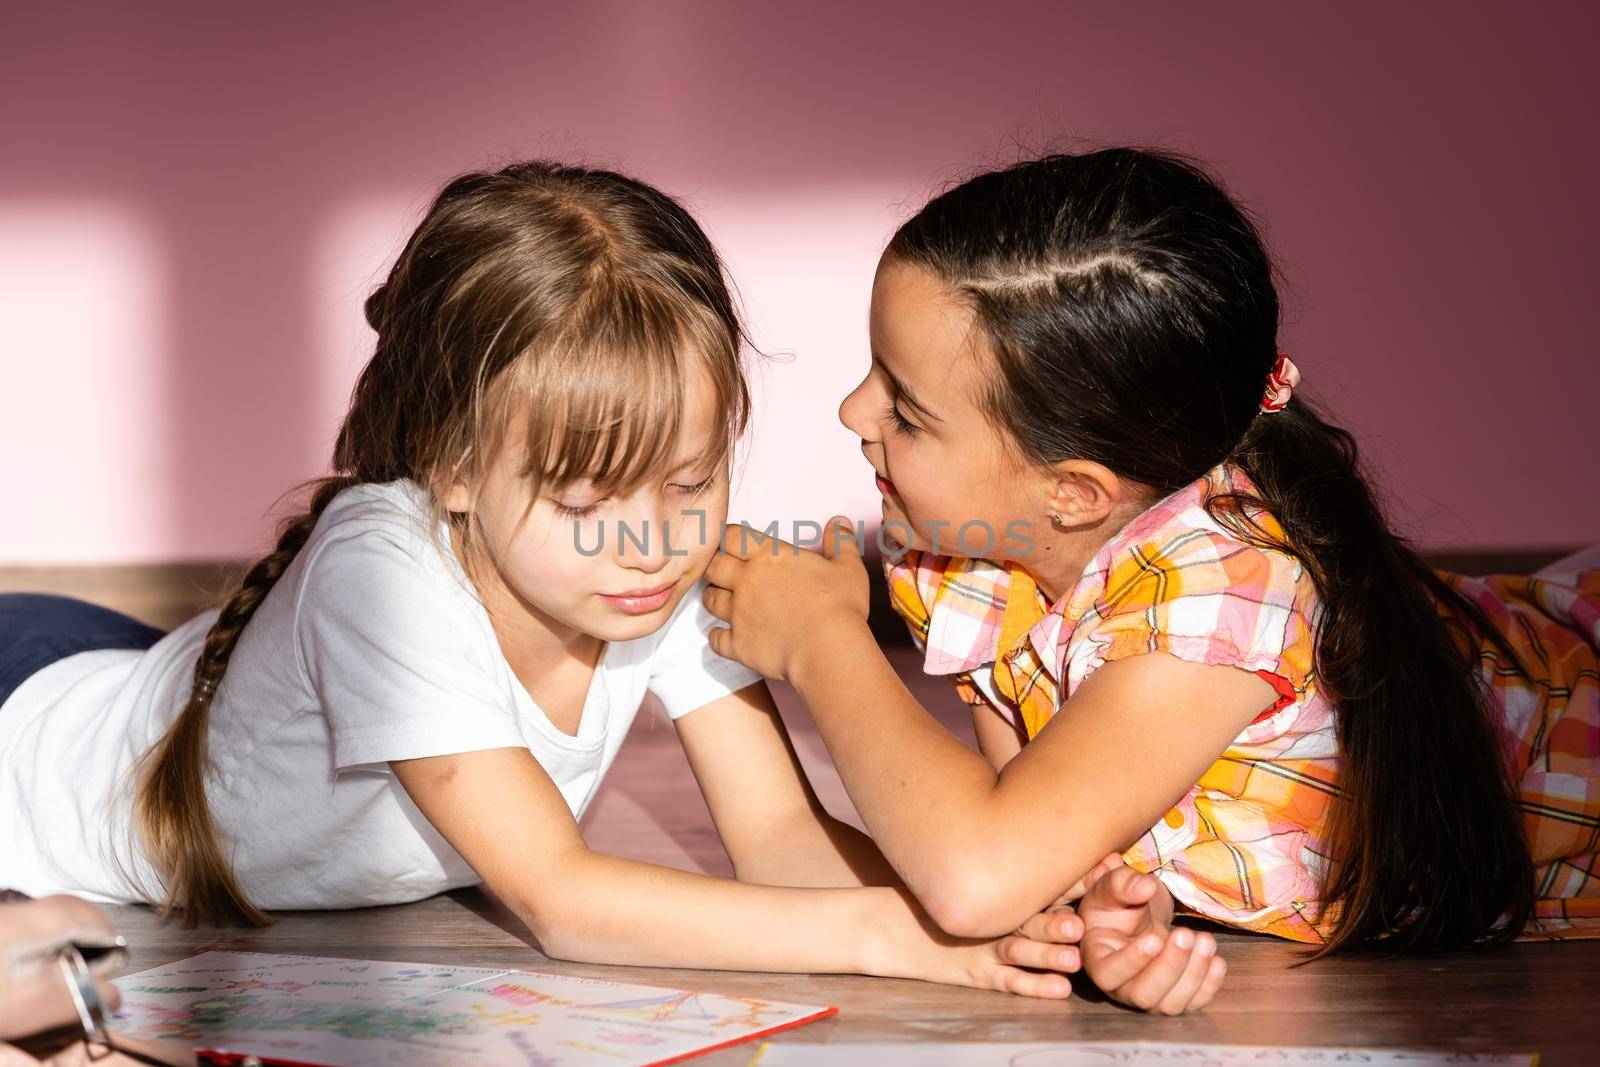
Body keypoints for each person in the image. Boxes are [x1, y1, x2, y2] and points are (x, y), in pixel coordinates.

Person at [0, 160, 1172, 1001]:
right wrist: (891, 936)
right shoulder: (381, 566)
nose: (653, 544)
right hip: (26, 719)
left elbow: (773, 832)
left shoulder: (646, 571)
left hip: (121, 671)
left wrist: (1029, 930)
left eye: (690, 480)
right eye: (585, 502)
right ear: (452, 466)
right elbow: (558, 897)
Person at [702, 147, 1599, 1013]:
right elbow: (1030, 859)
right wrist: (1108, 920)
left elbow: (977, 880)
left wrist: (825, 642)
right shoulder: (979, 550)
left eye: (906, 409)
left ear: (1074, 492)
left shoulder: (1223, 600)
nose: (853, 411)